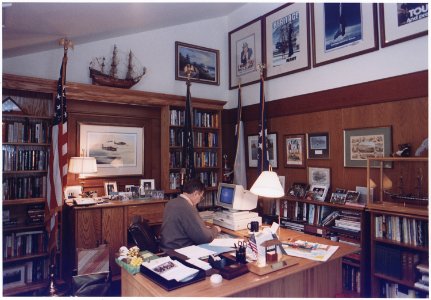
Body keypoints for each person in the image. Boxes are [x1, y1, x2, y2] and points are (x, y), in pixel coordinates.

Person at [160, 178, 221, 250]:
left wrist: (203, 229)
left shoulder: (171, 202)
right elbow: (204, 238)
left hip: (168, 247)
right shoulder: (188, 207)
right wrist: (215, 229)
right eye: (201, 197)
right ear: (195, 194)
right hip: (179, 250)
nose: (199, 201)